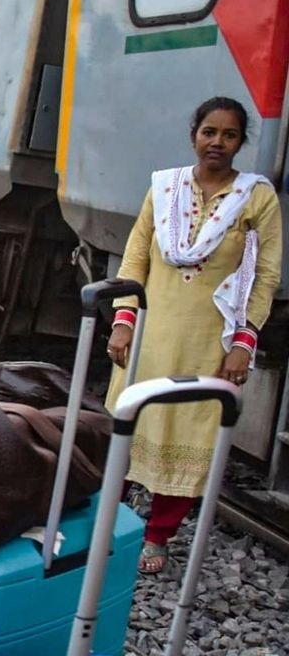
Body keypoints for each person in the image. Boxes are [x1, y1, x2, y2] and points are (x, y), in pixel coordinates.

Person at [105, 97, 282, 575]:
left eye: (228, 135)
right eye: (209, 132)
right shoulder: (164, 188)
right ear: (194, 135)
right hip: (150, 334)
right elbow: (135, 257)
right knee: (128, 425)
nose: (217, 143)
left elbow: (264, 276)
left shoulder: (256, 198)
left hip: (210, 341)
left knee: (191, 435)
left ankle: (157, 535)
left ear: (241, 143)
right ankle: (109, 524)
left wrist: (244, 344)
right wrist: (123, 320)